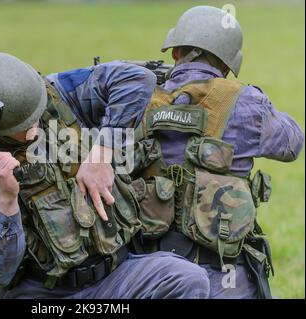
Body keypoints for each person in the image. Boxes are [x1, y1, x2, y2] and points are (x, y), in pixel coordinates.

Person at [0, 52, 210, 299]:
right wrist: (7, 199)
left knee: (187, 279)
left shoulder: (57, 96)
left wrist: (102, 153)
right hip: (44, 291)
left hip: (116, 275)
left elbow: (137, 78)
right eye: (22, 126)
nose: (34, 128)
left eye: (35, 116)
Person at [129, 5, 304, 299]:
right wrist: (256, 100)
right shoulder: (244, 100)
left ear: (175, 52)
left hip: (148, 275)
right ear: (227, 66)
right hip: (223, 275)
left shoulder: (138, 97)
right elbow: (293, 143)